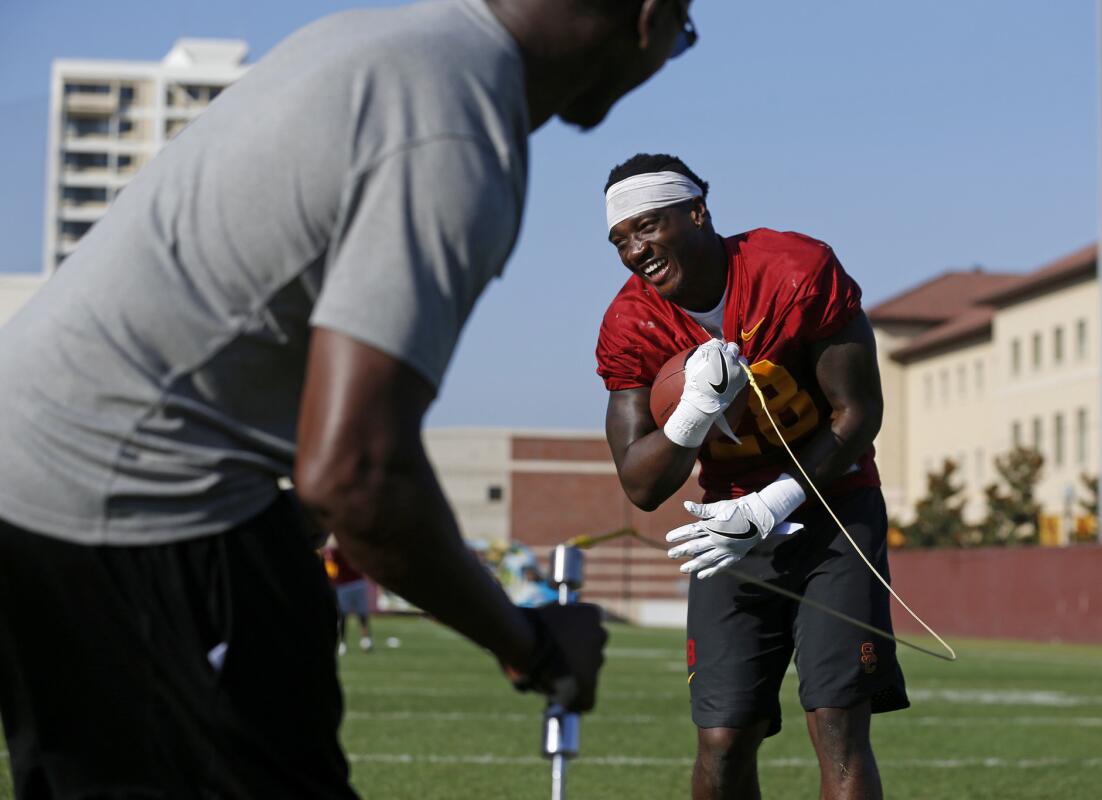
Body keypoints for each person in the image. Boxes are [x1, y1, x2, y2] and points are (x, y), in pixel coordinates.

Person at [0, 2, 698, 796]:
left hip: (44, 481)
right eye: (686, 35)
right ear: (651, 18)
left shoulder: (395, 44)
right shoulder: (456, 123)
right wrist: (529, 642)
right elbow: (359, 476)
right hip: (131, 502)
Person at [595, 153, 909, 800]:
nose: (634, 249)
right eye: (620, 239)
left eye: (647, 226)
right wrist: (691, 415)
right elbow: (641, 484)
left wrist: (779, 499)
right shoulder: (631, 323)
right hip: (728, 528)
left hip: (834, 510)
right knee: (723, 736)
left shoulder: (793, 270)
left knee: (836, 722)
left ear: (697, 211)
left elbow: (860, 413)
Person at [323, 538, 374, 654]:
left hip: (348, 585)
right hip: (350, 584)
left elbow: (331, 571)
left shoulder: (338, 550)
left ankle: (360, 641)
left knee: (352, 615)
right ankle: (350, 642)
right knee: (348, 616)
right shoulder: (348, 548)